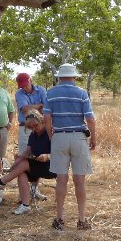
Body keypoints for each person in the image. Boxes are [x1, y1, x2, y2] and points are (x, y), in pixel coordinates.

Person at [44, 63, 97, 231]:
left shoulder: (51, 93)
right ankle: (81, 219)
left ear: (59, 77)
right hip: (79, 137)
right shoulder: (81, 93)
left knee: (61, 179)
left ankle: (59, 218)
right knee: (79, 180)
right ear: (74, 76)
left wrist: (52, 135)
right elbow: (90, 119)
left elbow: (46, 118)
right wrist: (93, 137)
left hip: (59, 137)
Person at [0, 111, 57, 214]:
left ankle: (2, 182)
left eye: (35, 125)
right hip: (37, 164)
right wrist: (13, 167)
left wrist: (46, 156)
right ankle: (25, 205)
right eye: (30, 127)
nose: (34, 129)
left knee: (24, 164)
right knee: (21, 172)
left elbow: (58, 152)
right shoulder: (33, 135)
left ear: (42, 121)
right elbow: (26, 153)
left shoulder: (50, 132)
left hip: (51, 166)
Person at [14, 72, 49, 200]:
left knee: (37, 157)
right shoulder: (19, 93)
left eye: (26, 83)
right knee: (24, 158)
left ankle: (34, 191)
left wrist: (37, 107)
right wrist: (39, 106)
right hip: (25, 127)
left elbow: (46, 107)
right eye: (21, 85)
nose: (24, 87)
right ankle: (22, 193)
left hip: (40, 127)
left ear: (31, 80)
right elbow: (25, 110)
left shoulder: (41, 90)